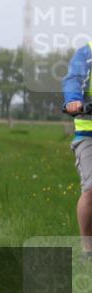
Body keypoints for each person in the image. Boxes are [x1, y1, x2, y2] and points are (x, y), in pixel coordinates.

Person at [63, 41, 92, 254]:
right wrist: (74, 101)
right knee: (91, 191)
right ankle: (87, 248)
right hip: (88, 133)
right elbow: (74, 80)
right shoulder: (86, 53)